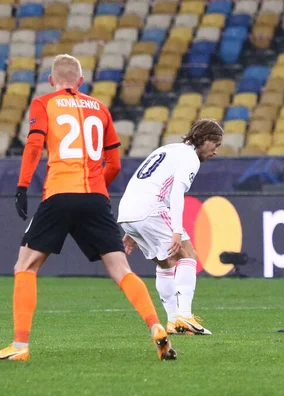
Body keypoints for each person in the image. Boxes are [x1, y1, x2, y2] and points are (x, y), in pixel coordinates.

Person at [0, 54, 176, 361]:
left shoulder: (44, 103)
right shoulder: (101, 108)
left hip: (58, 193)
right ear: (81, 81)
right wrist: (96, 190)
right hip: (96, 198)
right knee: (122, 270)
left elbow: (34, 144)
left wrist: (22, 186)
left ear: (52, 80)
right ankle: (156, 326)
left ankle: (20, 346)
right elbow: (115, 163)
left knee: (24, 267)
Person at [118, 119, 222, 336]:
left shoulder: (168, 149)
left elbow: (143, 181)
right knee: (188, 255)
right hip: (151, 208)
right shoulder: (190, 157)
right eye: (216, 144)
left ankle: (174, 321)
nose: (215, 152)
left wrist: (130, 228)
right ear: (204, 139)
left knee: (166, 263)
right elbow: (176, 193)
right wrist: (176, 230)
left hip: (128, 211)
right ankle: (185, 315)